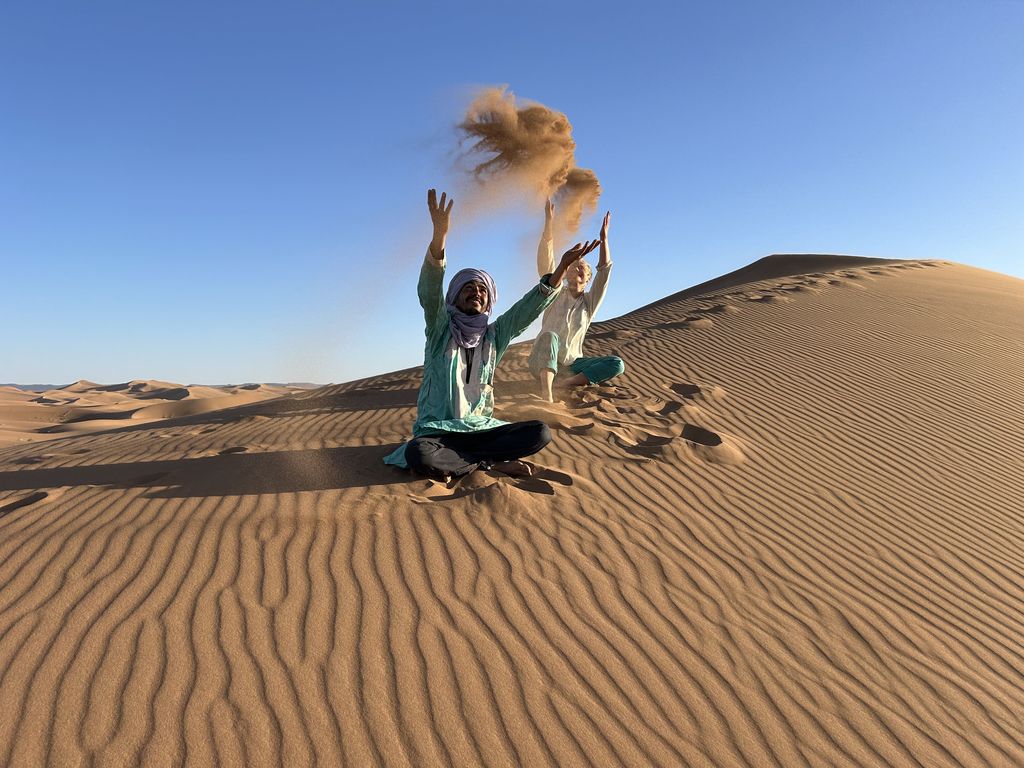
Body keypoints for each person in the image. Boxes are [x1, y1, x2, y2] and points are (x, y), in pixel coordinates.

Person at [383, 188, 600, 480]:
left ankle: (468, 461)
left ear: (488, 302)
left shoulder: (494, 337)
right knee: (418, 453)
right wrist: (439, 237)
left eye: (482, 290)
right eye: (468, 288)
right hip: (438, 433)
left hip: (480, 430)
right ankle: (486, 462)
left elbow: (527, 308)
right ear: (454, 297)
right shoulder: (440, 329)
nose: (476, 292)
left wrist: (561, 266)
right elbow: (430, 291)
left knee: (539, 432)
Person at [528, 200, 624, 401]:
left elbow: (604, 272)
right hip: (541, 360)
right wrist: (549, 222)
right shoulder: (554, 293)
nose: (577, 269)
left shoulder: (589, 303)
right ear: (565, 274)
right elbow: (546, 261)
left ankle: (565, 383)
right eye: (572, 267)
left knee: (617, 364)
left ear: (588, 278)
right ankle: (547, 394)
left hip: (572, 365)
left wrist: (604, 239)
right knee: (550, 336)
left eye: (582, 268)